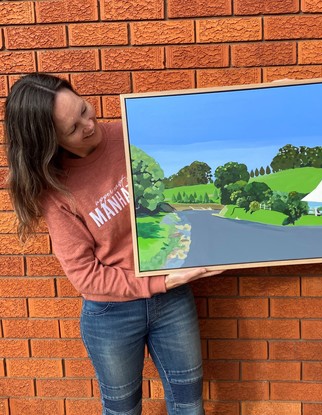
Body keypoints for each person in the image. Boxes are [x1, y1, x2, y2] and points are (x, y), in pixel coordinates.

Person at [5, 73, 222, 415]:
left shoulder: (131, 134)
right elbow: (85, 275)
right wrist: (160, 281)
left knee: (189, 405)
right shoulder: (56, 189)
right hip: (112, 313)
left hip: (172, 299)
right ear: (49, 141)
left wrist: (259, 104)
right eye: (73, 128)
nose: (89, 125)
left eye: (84, 109)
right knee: (123, 410)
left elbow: (198, 134)